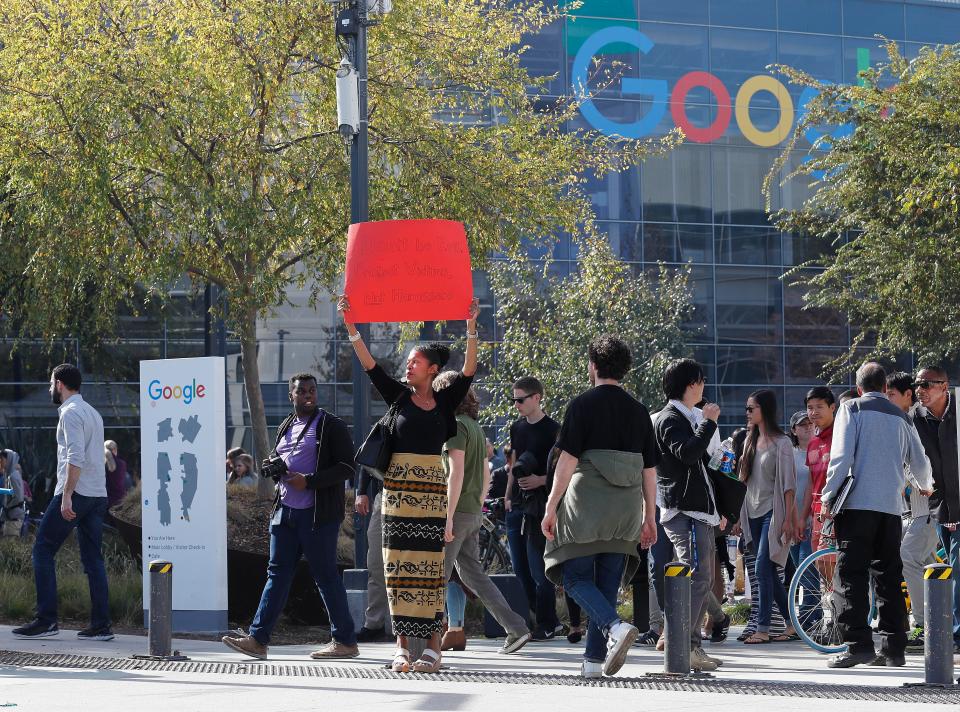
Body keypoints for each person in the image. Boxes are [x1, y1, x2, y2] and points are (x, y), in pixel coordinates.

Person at [340, 294, 480, 674]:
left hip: (432, 496)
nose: (408, 365)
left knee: (431, 571)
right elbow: (371, 367)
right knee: (398, 568)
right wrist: (351, 326)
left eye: (415, 361)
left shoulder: (446, 400)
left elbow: (468, 369)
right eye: (408, 361)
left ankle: (433, 647)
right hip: (398, 496)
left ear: (432, 370)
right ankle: (402, 647)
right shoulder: (398, 397)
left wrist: (470, 329)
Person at [542, 334, 658, 678]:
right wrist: (648, 516)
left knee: (574, 578)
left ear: (593, 366)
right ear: (625, 369)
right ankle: (593, 662)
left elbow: (567, 461)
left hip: (586, 507)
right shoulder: (639, 412)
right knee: (607, 583)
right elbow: (649, 470)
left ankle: (614, 626)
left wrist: (551, 505)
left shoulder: (582, 405)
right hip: (625, 508)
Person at [222, 373, 359, 660]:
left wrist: (308, 481)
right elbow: (281, 458)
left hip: (316, 515)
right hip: (284, 511)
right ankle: (258, 640)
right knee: (277, 574)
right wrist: (273, 466)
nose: (308, 395)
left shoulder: (330, 425)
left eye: (312, 390)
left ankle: (345, 641)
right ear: (291, 396)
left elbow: (347, 467)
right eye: (301, 391)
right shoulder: (286, 425)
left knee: (324, 576)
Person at [822, 362, 931, 668]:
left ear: (859, 388)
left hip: (857, 506)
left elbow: (841, 458)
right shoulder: (902, 416)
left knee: (851, 575)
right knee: (888, 577)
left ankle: (858, 645)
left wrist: (829, 497)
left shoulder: (851, 410)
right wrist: (925, 486)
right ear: (885, 388)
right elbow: (919, 462)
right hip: (891, 510)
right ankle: (893, 648)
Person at [434, 370, 532, 654]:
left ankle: (419, 641)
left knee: (435, 576)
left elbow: (455, 473)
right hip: (472, 511)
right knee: (472, 575)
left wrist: (448, 516)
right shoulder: (474, 428)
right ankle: (516, 628)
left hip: (456, 511)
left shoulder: (455, 427)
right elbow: (485, 473)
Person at [13, 364, 110, 640]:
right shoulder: (92, 412)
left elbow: (75, 457)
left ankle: (46, 621)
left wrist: (67, 495)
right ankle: (102, 626)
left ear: (59, 384)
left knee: (42, 550)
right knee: (94, 561)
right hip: (97, 494)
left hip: (76, 493)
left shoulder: (70, 413)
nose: (49, 389)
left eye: (50, 383)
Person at [653, 358, 724, 671]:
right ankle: (685, 645)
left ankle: (689, 643)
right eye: (700, 381)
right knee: (695, 575)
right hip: (684, 509)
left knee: (700, 576)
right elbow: (688, 453)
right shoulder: (670, 418)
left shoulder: (684, 415)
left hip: (697, 509)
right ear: (690, 385)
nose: (703, 386)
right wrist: (708, 423)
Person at [737, 390, 798, 644]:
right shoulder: (749, 441)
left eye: (752, 409)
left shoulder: (782, 442)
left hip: (772, 514)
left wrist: (787, 519)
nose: (748, 413)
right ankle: (791, 623)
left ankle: (762, 628)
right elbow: (743, 482)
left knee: (763, 568)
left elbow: (789, 485)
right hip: (750, 512)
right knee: (770, 572)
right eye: (747, 409)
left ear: (765, 410)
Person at [910, 365, 960, 654]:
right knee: (952, 566)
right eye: (919, 384)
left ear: (945, 386)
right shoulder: (915, 418)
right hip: (939, 505)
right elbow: (910, 457)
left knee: (957, 565)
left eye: (929, 384)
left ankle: (955, 635)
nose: (922, 389)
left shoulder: (958, 410)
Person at [507, 376, 561, 640]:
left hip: (541, 506)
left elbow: (565, 468)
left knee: (539, 568)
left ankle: (548, 623)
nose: (516, 404)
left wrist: (541, 480)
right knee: (520, 568)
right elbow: (513, 465)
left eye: (520, 399)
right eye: (514, 400)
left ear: (537, 398)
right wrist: (508, 496)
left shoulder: (554, 429)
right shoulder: (517, 428)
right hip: (517, 504)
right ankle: (536, 618)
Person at [887, 371, 937, 649]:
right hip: (919, 509)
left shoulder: (917, 420)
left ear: (907, 394)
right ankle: (942, 620)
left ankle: (924, 625)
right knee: (932, 566)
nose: (887, 400)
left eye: (892, 394)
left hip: (931, 505)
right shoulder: (906, 421)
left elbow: (922, 460)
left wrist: (918, 480)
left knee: (908, 557)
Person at [787, 411, 820, 631]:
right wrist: (792, 518)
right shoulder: (789, 454)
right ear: (793, 430)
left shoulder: (819, 449)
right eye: (802, 425)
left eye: (810, 423)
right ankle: (812, 615)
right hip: (791, 520)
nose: (807, 427)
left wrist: (805, 517)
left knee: (807, 569)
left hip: (811, 519)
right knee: (799, 569)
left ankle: (808, 619)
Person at [354, 466, 392, 642]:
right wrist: (361, 491)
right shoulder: (381, 436)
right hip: (383, 496)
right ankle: (374, 624)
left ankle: (402, 626)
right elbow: (367, 459)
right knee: (376, 563)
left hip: (414, 495)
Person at [801, 386, 837, 552]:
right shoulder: (813, 442)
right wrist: (803, 517)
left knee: (827, 560)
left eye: (819, 406)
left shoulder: (841, 435)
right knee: (820, 564)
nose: (814, 412)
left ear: (832, 407)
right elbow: (811, 482)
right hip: (816, 513)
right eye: (810, 407)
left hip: (836, 510)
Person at [1, 450, 26, 537]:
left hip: (14, 516)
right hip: (10, 516)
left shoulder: (13, 476)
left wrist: (7, 507)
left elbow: (18, 497)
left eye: (3, 460)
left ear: (9, 460)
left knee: (10, 545)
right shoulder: (10, 475)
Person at [104, 440, 129, 509]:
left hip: (106, 502)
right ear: (115, 450)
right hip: (121, 501)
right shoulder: (122, 464)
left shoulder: (102, 465)